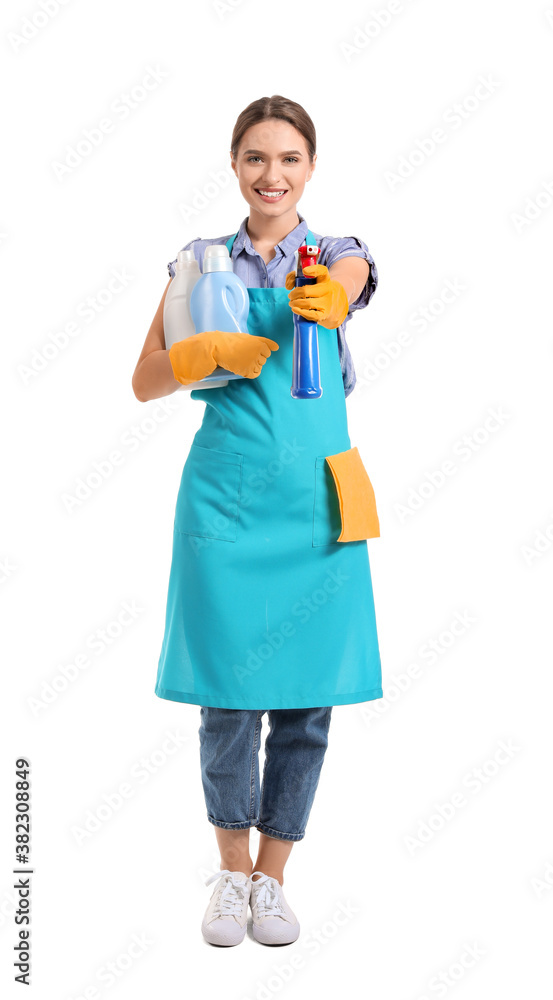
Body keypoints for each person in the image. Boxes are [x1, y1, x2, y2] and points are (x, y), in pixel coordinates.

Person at [132, 94, 383, 948]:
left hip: (315, 502)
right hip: (226, 505)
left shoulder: (334, 254)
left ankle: (274, 881)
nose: (271, 175)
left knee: (307, 704)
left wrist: (329, 302)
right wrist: (196, 353)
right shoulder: (200, 264)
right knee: (230, 702)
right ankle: (230, 874)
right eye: (255, 159)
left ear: (310, 169)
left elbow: (348, 283)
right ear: (233, 166)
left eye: (288, 160)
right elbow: (144, 379)